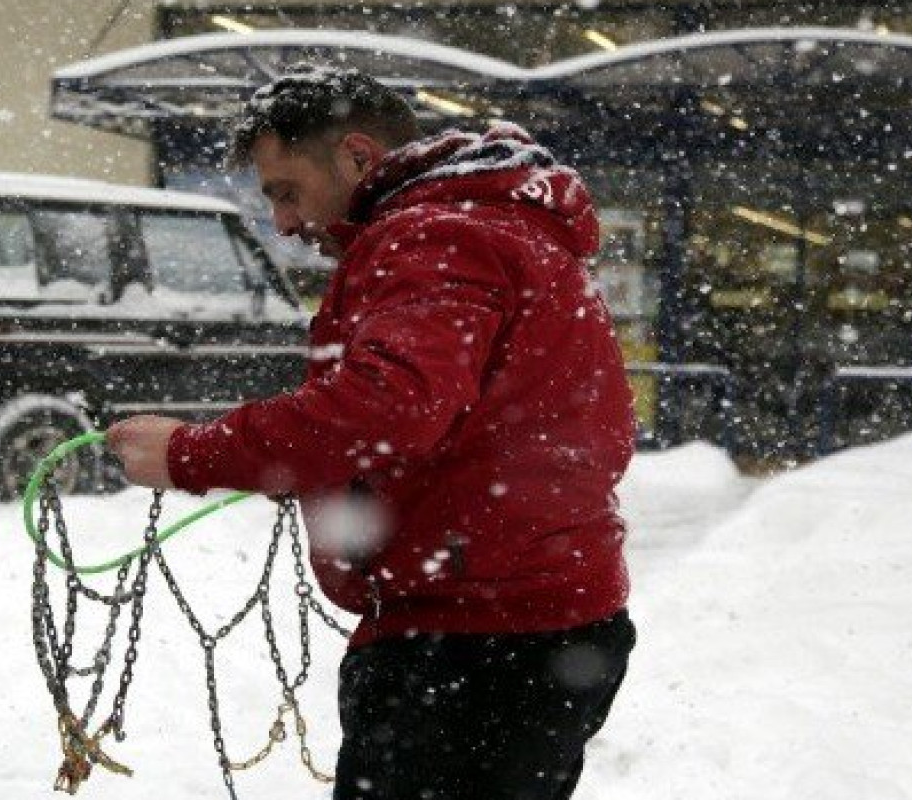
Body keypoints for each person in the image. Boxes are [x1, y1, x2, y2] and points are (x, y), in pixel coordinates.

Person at [105, 65, 637, 800]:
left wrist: (191, 454)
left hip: (474, 642)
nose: (283, 223)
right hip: (537, 622)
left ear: (357, 156)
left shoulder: (434, 234)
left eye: (286, 192)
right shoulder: (499, 226)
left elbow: (389, 408)